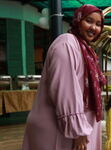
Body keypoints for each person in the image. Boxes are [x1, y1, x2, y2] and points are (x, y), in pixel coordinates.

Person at [22, 4, 106, 150]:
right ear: (78, 20)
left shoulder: (87, 50)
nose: (94, 28)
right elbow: (65, 90)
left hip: (78, 127)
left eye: (98, 24)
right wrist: (78, 131)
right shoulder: (67, 43)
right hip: (63, 128)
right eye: (89, 21)